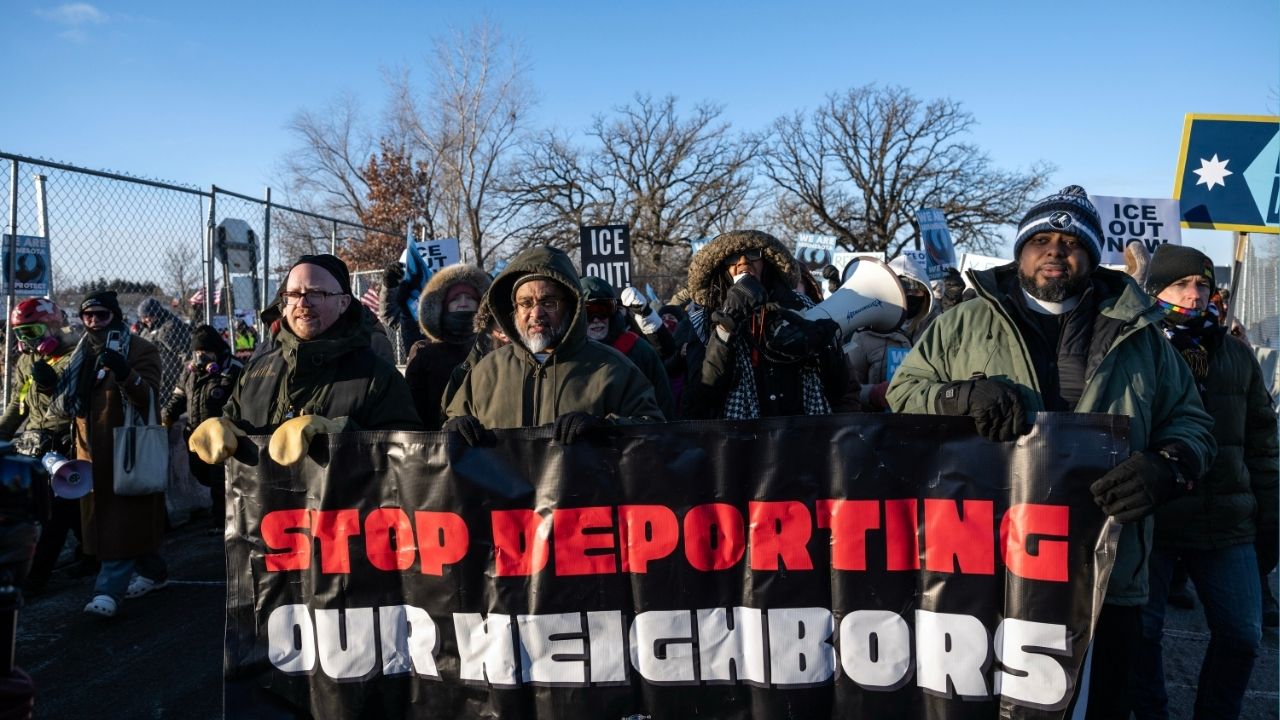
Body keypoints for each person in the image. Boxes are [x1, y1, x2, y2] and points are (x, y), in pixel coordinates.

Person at [886, 185, 1216, 718]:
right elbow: (902, 397)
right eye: (1041, 239)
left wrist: (1169, 467)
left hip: (1106, 571)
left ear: (1091, 255)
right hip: (988, 564)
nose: (1055, 251)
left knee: (1098, 704)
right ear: (1020, 252)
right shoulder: (961, 323)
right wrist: (960, 397)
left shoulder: (1143, 336)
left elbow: (1193, 422)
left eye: (1071, 242)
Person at [1132, 245, 1276, 720]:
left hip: (1226, 522)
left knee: (1241, 636)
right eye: (1181, 285)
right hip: (1151, 522)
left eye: (1203, 286)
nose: (1194, 296)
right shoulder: (1134, 349)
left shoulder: (1236, 354)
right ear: (1155, 291)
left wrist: (1271, 515)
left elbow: (1262, 441)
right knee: (1141, 637)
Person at [189, 254, 421, 469]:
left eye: (316, 293)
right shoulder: (256, 369)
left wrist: (339, 436)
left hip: (341, 511)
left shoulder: (378, 376)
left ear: (343, 303)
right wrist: (223, 426)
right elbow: (235, 426)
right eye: (293, 295)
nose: (303, 303)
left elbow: (409, 457)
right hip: (263, 511)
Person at [443, 246, 664, 444]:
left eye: (549, 302)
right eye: (526, 303)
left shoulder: (613, 368)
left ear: (571, 307)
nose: (536, 314)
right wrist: (453, 429)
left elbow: (655, 431)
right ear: (514, 311)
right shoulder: (485, 372)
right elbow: (451, 423)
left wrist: (605, 429)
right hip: (500, 491)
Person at [49, 291, 166, 619]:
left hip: (125, 451)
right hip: (89, 455)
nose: (94, 322)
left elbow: (150, 398)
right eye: (88, 316)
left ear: (114, 315)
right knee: (119, 523)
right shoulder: (79, 354)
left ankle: (107, 592)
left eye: (102, 315)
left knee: (120, 523)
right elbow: (66, 404)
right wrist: (48, 388)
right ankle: (154, 571)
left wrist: (126, 373)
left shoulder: (141, 349)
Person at [682, 230, 847, 420]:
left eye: (753, 254)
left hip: (802, 433)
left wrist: (825, 346)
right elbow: (701, 396)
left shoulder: (803, 307)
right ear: (722, 270)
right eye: (733, 257)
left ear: (766, 263)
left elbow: (838, 389)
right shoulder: (702, 321)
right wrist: (726, 325)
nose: (743, 263)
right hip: (741, 441)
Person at [0, 298, 82, 591]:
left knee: (55, 513)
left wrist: (49, 386)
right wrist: (2, 435)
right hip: (37, 443)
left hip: (65, 441)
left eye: (31, 332)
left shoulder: (73, 355)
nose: (25, 340)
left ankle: (35, 577)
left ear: (52, 326)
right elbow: (17, 404)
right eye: (20, 334)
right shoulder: (25, 362)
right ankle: (90, 553)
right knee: (65, 506)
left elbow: (69, 405)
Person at [161, 325, 244, 531]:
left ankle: (223, 523)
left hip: (221, 437)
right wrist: (165, 419)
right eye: (197, 352)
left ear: (216, 351)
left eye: (205, 352)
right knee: (202, 475)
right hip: (195, 437)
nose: (200, 357)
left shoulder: (233, 369)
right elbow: (178, 398)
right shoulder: (190, 372)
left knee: (220, 481)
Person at [843, 254, 939, 411]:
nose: (908, 296)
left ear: (927, 294)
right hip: (880, 428)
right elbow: (847, 391)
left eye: (916, 291)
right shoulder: (864, 335)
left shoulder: (937, 332)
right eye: (901, 289)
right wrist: (873, 393)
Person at [403, 264, 492, 430]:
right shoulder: (425, 352)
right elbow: (412, 410)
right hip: (437, 445)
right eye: (455, 299)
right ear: (441, 306)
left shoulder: (494, 349)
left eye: (471, 298)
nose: (463, 303)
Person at [581, 276, 677, 419]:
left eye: (603, 310)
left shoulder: (639, 349)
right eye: (588, 312)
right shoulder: (566, 355)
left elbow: (664, 405)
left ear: (613, 311)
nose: (596, 319)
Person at [136, 297, 191, 398]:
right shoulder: (147, 329)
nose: (145, 320)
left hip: (167, 377)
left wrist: (186, 375)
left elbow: (184, 352)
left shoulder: (170, 327)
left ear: (156, 314)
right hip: (149, 374)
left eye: (148, 316)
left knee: (162, 408)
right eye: (143, 317)